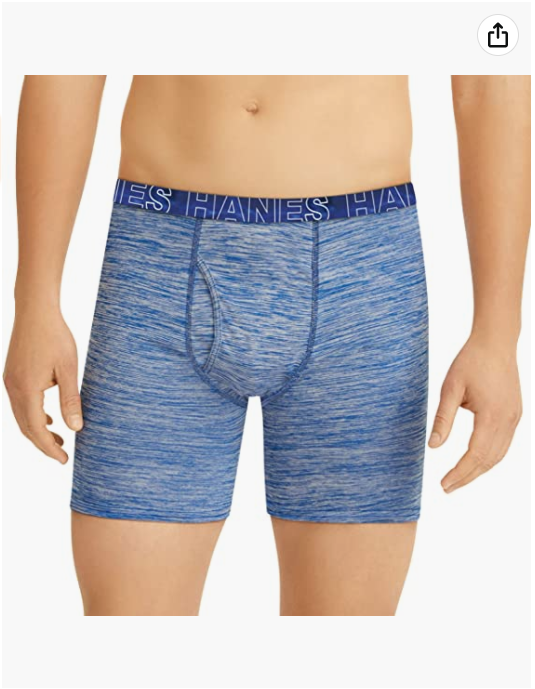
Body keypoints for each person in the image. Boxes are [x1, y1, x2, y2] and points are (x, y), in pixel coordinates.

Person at [3, 76, 530, 616]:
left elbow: (487, 80)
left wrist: (498, 334)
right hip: (159, 262)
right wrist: (34, 300)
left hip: (360, 277)